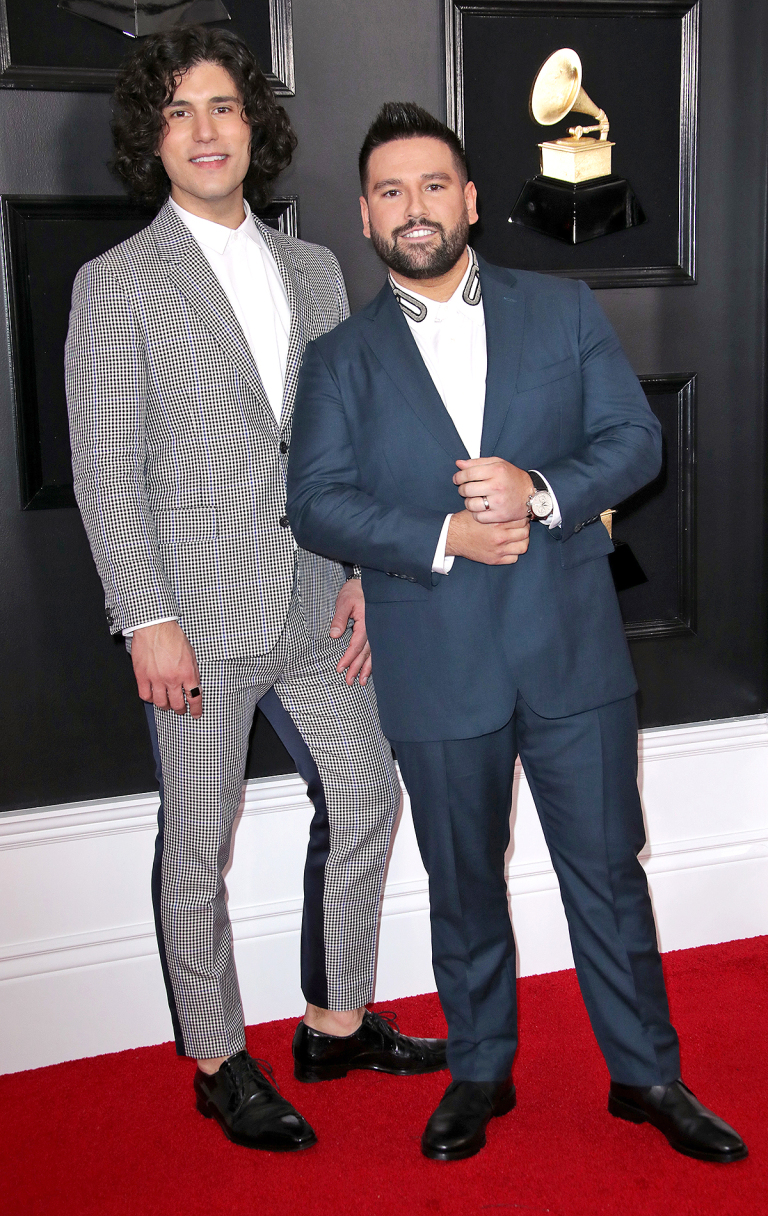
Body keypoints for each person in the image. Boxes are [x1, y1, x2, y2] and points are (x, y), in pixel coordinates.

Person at [286, 102, 747, 1164]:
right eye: (391, 191)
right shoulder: (339, 358)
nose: (414, 207)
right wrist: (440, 535)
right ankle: (480, 1072)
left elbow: (633, 440)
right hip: (435, 661)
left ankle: (647, 1075)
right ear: (365, 216)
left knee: (609, 868)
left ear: (471, 200)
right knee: (463, 880)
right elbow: (314, 502)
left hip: (572, 648)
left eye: (432, 185)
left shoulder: (562, 307)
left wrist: (540, 489)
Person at [65, 43, 445, 1155]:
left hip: (317, 599)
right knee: (197, 843)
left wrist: (365, 569)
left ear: (252, 126)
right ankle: (218, 1059)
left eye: (223, 106)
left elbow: (345, 441)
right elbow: (106, 470)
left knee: (367, 795)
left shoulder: (317, 268)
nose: (205, 129)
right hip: (193, 614)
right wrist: (146, 619)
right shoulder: (117, 282)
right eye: (179, 111)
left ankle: (335, 1024)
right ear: (152, 138)